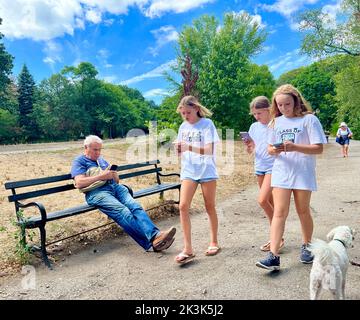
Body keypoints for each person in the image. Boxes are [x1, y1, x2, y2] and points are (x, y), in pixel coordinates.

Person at [256, 84, 327, 271]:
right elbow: (270, 148)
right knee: (279, 212)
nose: (283, 108)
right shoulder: (276, 122)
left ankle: (307, 245)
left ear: (296, 101)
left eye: (287, 104)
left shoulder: (309, 120)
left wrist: (295, 147)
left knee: (303, 210)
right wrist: (275, 149)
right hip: (282, 171)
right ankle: (273, 255)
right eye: (279, 105)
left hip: (302, 171)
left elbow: (319, 148)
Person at [71, 135, 176, 253]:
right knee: (123, 211)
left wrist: (114, 174)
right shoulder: (79, 161)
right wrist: (102, 176)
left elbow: (116, 181)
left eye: (100, 149)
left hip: (115, 188)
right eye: (95, 150)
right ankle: (153, 240)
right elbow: (79, 183)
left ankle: (156, 237)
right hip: (97, 193)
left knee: (135, 206)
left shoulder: (101, 160)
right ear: (86, 147)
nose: (98, 152)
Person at [173, 95, 220, 264]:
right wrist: (178, 149)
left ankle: (214, 241)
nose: (186, 116)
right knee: (183, 206)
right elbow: (181, 150)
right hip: (189, 171)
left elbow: (208, 150)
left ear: (197, 110)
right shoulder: (183, 127)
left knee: (209, 206)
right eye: (183, 113)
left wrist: (188, 146)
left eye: (188, 112)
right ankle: (188, 249)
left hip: (206, 169)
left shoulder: (207, 124)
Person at [243, 96, 284, 252]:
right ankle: (276, 238)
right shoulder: (254, 127)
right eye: (254, 114)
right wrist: (248, 146)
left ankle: (278, 236)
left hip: (274, 166)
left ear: (268, 110)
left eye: (259, 113)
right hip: (259, 166)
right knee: (270, 204)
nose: (257, 117)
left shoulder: (277, 124)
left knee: (262, 200)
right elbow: (251, 150)